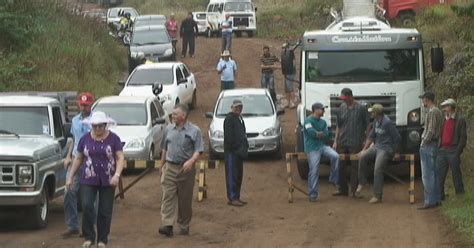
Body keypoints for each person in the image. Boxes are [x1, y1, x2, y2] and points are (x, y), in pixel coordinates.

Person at [66, 111, 124, 248]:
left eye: (100, 126)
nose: (97, 129)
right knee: (86, 205)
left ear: (105, 125)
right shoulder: (85, 139)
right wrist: (70, 176)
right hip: (88, 177)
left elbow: (120, 157)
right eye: (95, 126)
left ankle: (102, 239)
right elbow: (79, 157)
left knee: (105, 209)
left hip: (108, 178)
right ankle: (89, 237)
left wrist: (117, 175)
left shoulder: (114, 139)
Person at [158, 104, 204, 237]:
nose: (172, 116)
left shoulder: (195, 131)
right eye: (172, 114)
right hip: (170, 167)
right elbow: (164, 149)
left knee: (185, 199)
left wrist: (191, 161)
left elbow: (198, 150)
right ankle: (167, 225)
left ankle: (184, 225)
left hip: (186, 170)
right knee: (168, 196)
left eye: (175, 114)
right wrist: (162, 166)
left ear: (183, 116)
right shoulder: (168, 129)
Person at [61, 92, 93, 238]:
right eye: (82, 104)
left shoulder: (96, 121)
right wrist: (68, 156)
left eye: (86, 104)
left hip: (90, 161)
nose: (83, 106)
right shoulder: (74, 120)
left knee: (89, 196)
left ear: (91, 104)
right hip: (75, 159)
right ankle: (72, 225)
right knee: (68, 192)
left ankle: (89, 226)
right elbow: (73, 139)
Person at [356, 104, 401, 204]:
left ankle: (377, 195)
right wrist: (363, 150)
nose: (371, 114)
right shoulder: (376, 121)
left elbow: (397, 138)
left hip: (386, 149)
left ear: (376, 113)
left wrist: (396, 152)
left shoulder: (387, 123)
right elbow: (371, 137)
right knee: (363, 157)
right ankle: (362, 182)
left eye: (372, 112)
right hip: (377, 146)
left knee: (378, 169)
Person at [332, 88, 370, 197]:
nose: (344, 100)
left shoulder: (361, 108)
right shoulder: (341, 108)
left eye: (345, 98)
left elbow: (367, 125)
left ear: (350, 96)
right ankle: (342, 189)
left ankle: (354, 191)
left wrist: (366, 140)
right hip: (343, 140)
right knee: (340, 165)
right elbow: (338, 125)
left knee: (355, 166)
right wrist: (335, 141)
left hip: (356, 140)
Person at [303, 102, 339, 202]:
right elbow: (311, 133)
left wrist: (318, 134)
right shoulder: (307, 121)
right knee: (314, 170)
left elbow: (326, 135)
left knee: (335, 156)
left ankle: (333, 178)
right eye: (322, 109)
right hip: (312, 148)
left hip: (322, 146)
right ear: (316, 110)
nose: (323, 111)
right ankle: (313, 194)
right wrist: (318, 134)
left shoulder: (323, 122)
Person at [437, 98, 467, 201]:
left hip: (453, 150)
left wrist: (457, 152)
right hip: (442, 150)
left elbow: (463, 138)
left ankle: (460, 195)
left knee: (456, 174)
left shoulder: (460, 119)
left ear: (450, 107)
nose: (444, 109)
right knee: (440, 174)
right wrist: (439, 147)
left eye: (445, 107)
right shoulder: (444, 119)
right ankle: (440, 197)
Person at [418, 91, 443, 210]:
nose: (422, 101)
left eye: (423, 99)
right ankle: (437, 198)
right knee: (434, 173)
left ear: (427, 99)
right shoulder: (437, 111)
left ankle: (429, 201)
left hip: (429, 144)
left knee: (427, 175)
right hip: (434, 144)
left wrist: (423, 142)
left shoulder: (432, 112)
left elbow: (431, 130)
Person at [224, 99, 249, 207]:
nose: (238, 109)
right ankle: (232, 197)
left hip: (239, 153)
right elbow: (229, 137)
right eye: (236, 107)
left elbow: (242, 134)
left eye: (240, 107)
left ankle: (237, 196)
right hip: (232, 152)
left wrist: (244, 147)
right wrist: (237, 148)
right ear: (232, 107)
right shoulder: (229, 119)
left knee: (239, 175)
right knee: (232, 175)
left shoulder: (240, 119)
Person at [281, 43, 297, 108]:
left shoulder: (290, 53)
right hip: (286, 72)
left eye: (285, 48)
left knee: (290, 88)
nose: (284, 49)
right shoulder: (283, 54)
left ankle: (292, 102)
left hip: (290, 72)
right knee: (287, 88)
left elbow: (293, 63)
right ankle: (287, 102)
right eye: (283, 48)